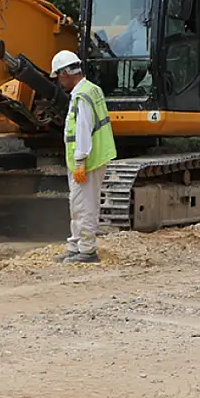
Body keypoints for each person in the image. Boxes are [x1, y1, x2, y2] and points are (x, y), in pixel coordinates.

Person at [50, 50, 117, 264]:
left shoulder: (82, 96)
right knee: (77, 203)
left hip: (87, 161)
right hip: (87, 159)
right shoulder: (91, 90)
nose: (59, 82)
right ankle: (76, 246)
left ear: (64, 74)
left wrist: (80, 161)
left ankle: (87, 250)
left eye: (58, 77)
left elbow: (83, 130)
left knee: (84, 205)